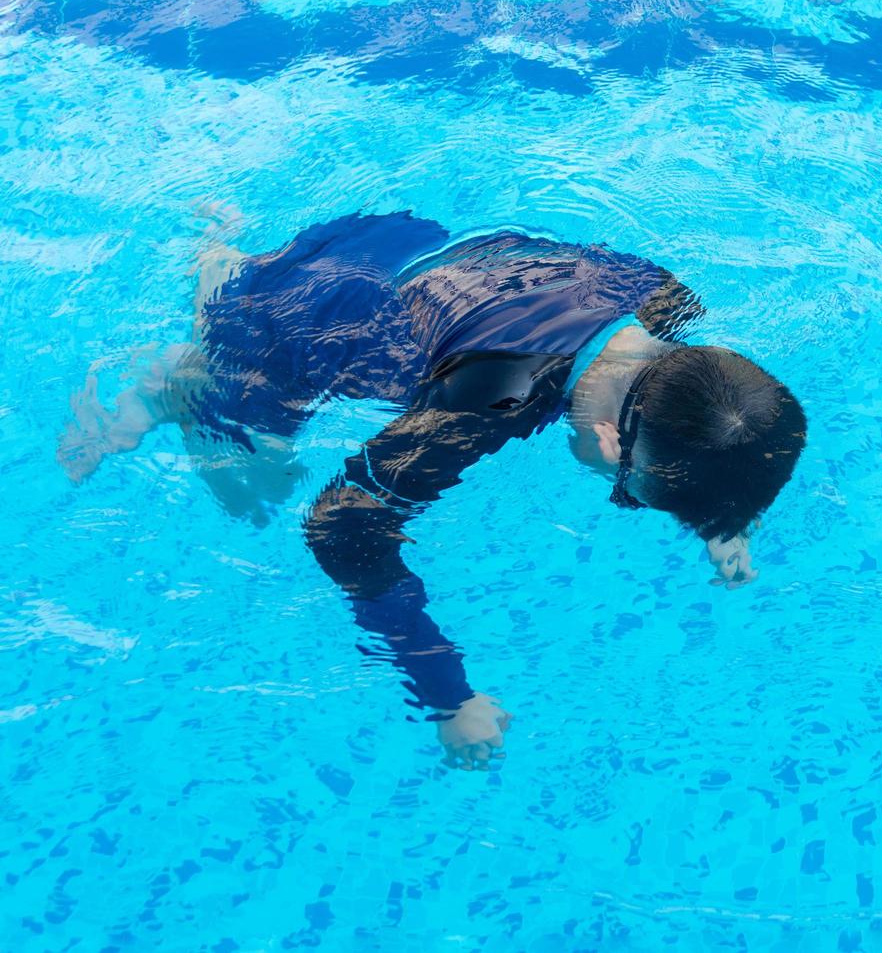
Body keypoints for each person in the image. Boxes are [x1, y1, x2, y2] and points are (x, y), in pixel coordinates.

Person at [57, 212, 808, 770]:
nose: (622, 493)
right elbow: (340, 528)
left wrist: (713, 507)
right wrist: (447, 696)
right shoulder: (497, 398)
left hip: (389, 245)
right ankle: (182, 378)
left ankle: (230, 245)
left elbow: (706, 418)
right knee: (252, 491)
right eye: (628, 494)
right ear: (612, 446)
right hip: (280, 330)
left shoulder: (664, 299)